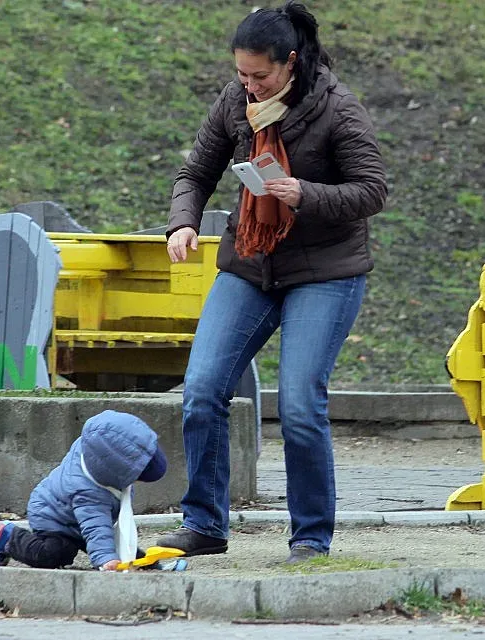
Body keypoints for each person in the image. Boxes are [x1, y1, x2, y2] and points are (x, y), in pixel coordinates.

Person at [158, 1, 387, 564]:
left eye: (260, 76)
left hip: (325, 272)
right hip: (250, 263)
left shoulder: (339, 110)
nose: (249, 87)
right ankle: (205, 524)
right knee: (202, 390)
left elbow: (372, 191)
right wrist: (182, 221)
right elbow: (196, 171)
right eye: (241, 74)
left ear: (290, 62)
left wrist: (304, 193)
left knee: (300, 404)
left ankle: (311, 536)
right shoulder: (235, 101)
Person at [0, 410, 169, 571]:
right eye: (135, 476)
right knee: (55, 554)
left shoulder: (97, 453)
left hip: (78, 520)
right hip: (53, 519)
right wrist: (106, 559)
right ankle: (10, 538)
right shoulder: (88, 490)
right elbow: (95, 525)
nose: (135, 482)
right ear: (116, 470)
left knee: (126, 552)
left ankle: (152, 565)